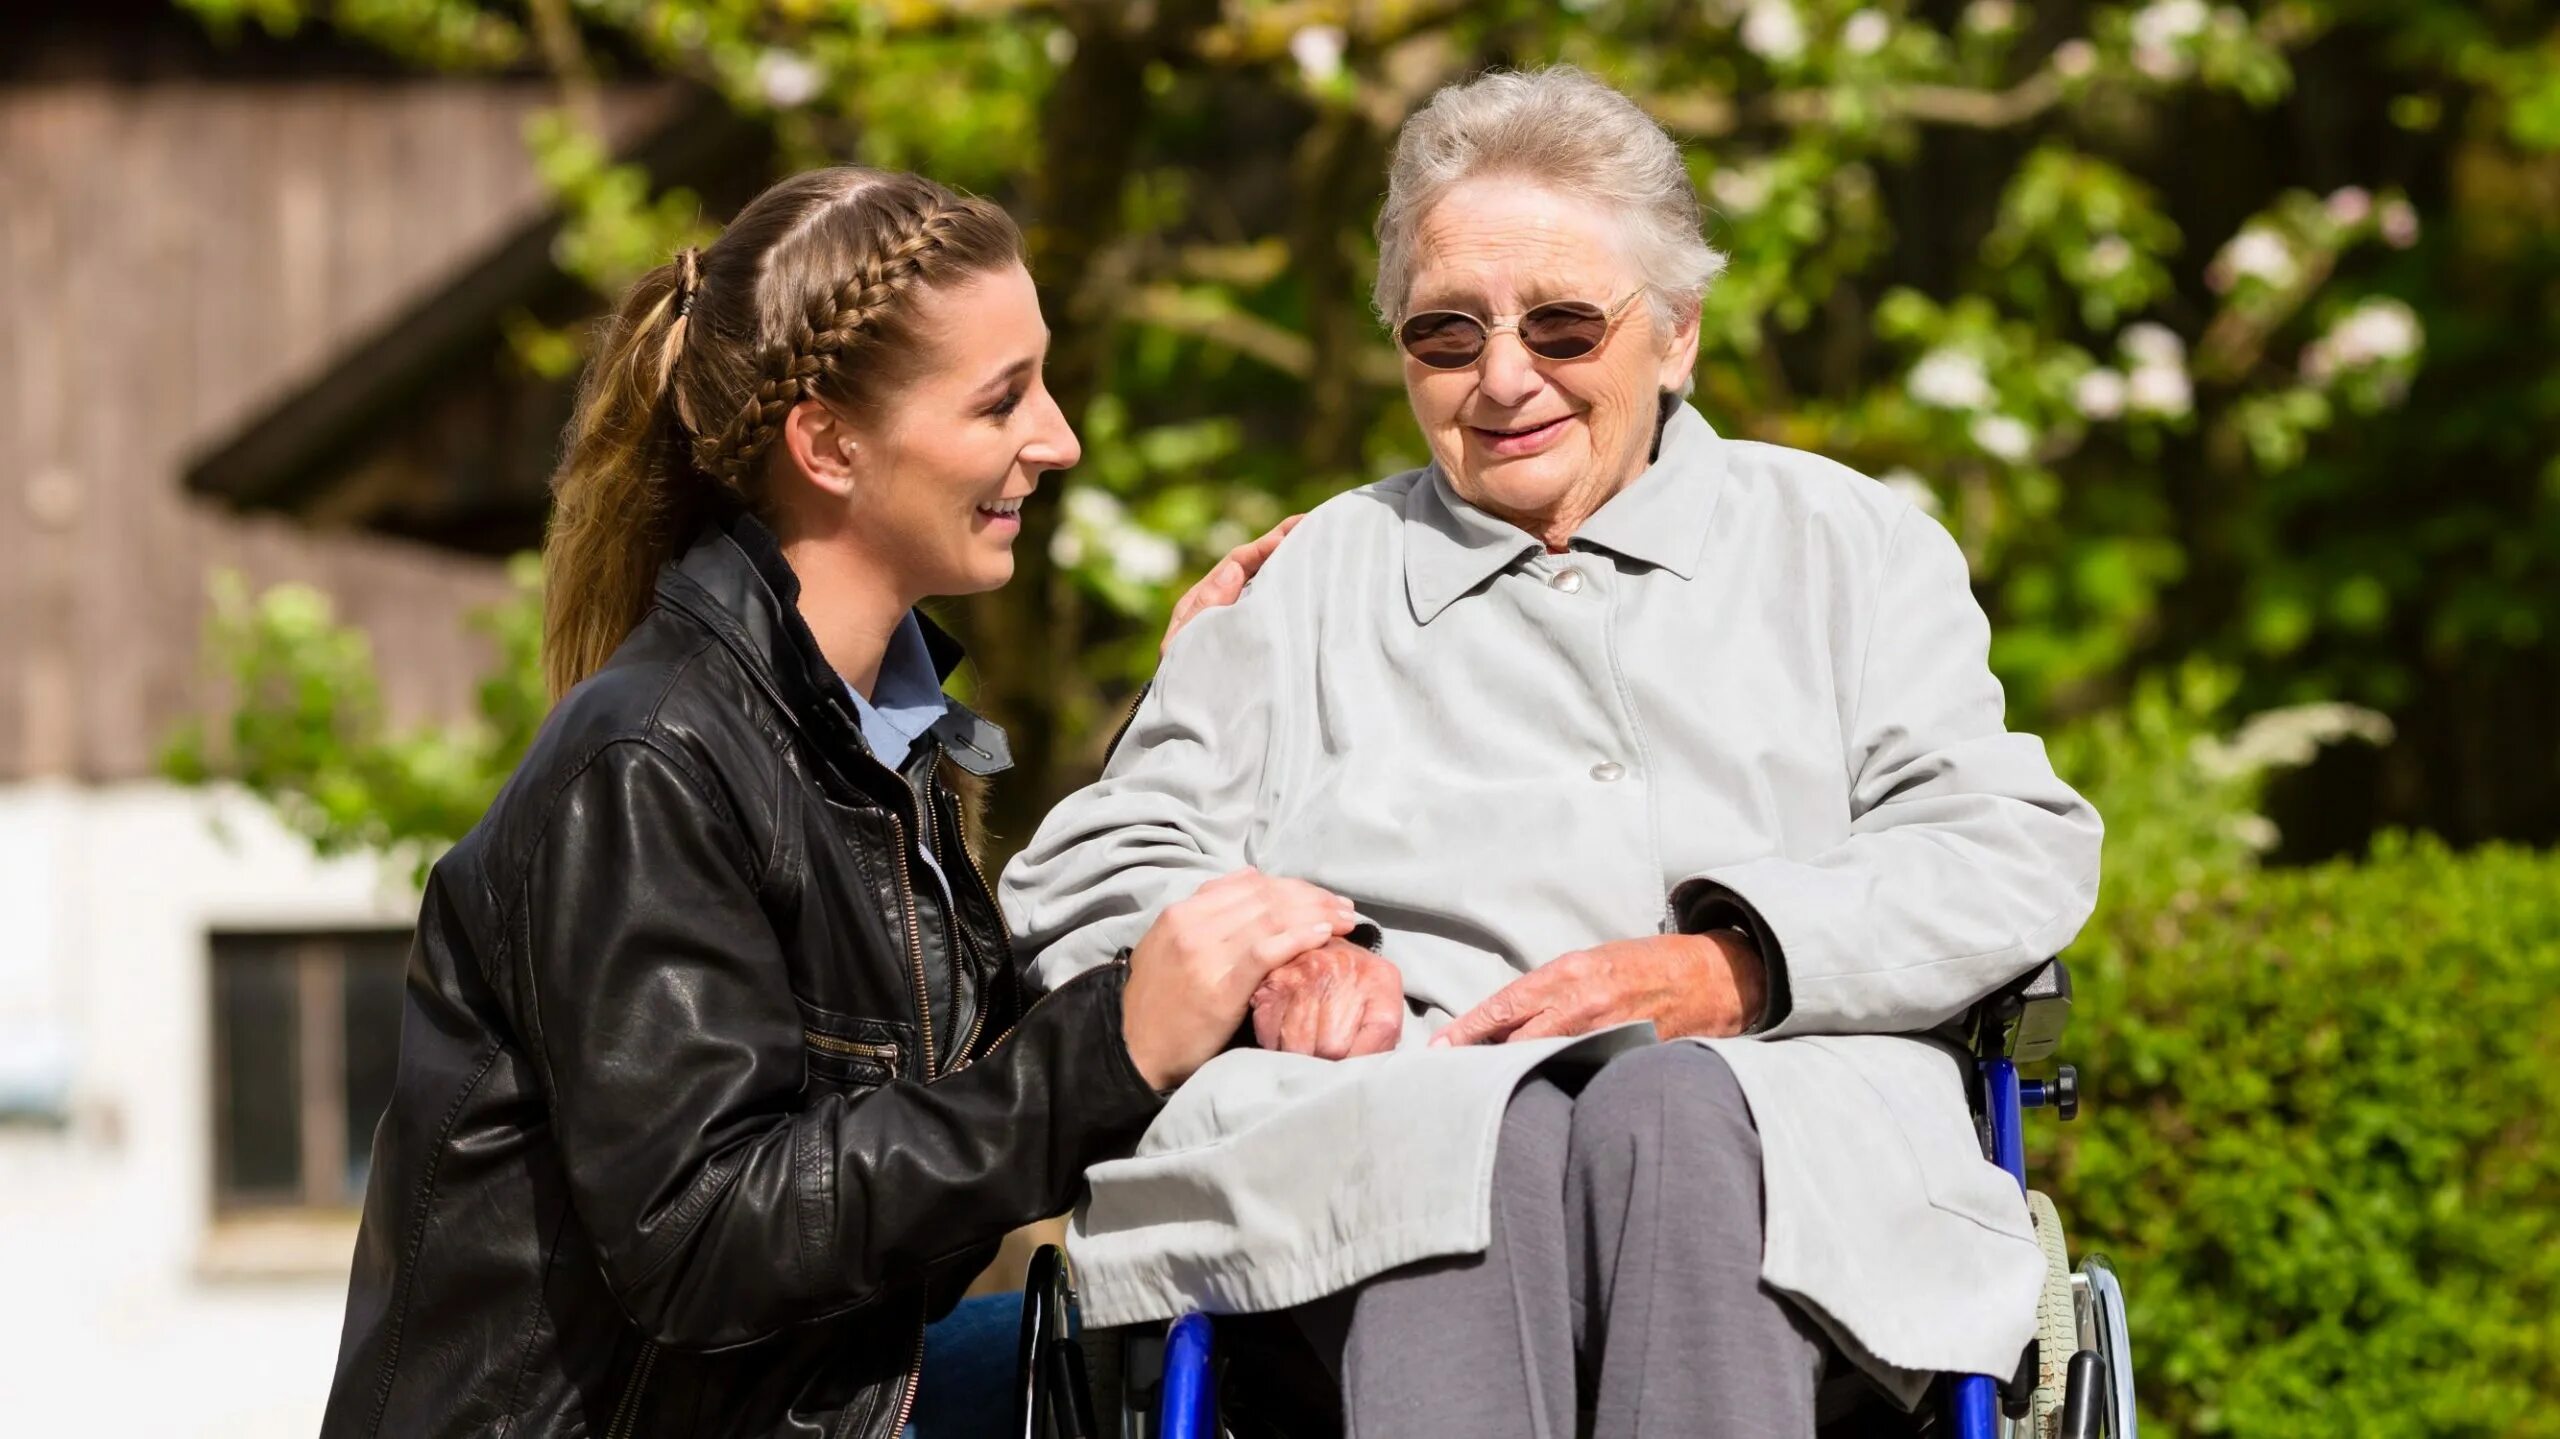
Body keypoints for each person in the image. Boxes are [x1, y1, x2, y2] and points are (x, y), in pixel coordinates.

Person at [1002, 67, 2105, 1437]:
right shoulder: (1312, 578)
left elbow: (2009, 841)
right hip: (1377, 1161)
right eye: (1445, 334)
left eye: (1567, 327)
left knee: (1674, 1115)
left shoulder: (1849, 546)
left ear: (1679, 335)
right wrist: (1266, 963)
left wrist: (1738, 963)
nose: (1504, 377)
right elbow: (1093, 867)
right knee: (1463, 1138)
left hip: (1784, 1155)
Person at [319, 166, 1339, 1439]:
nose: (1060, 437)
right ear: (828, 445)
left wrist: (1184, 714)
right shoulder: (651, 762)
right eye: (1001, 399)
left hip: (801, 1396)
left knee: (1206, 1356)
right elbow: (705, 1236)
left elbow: (953, 1098)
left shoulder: (867, 744)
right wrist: (1115, 1046)